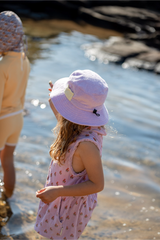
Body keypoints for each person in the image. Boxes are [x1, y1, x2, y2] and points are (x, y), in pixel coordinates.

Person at [35, 69, 109, 240]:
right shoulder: (75, 126)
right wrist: (56, 99)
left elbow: (97, 184)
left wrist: (58, 192)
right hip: (60, 195)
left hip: (71, 204)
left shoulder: (86, 145)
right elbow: (63, 119)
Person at [0, 11, 30, 198]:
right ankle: (8, 196)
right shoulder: (25, 60)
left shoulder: (2, 65)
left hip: (2, 118)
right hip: (17, 117)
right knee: (8, 159)